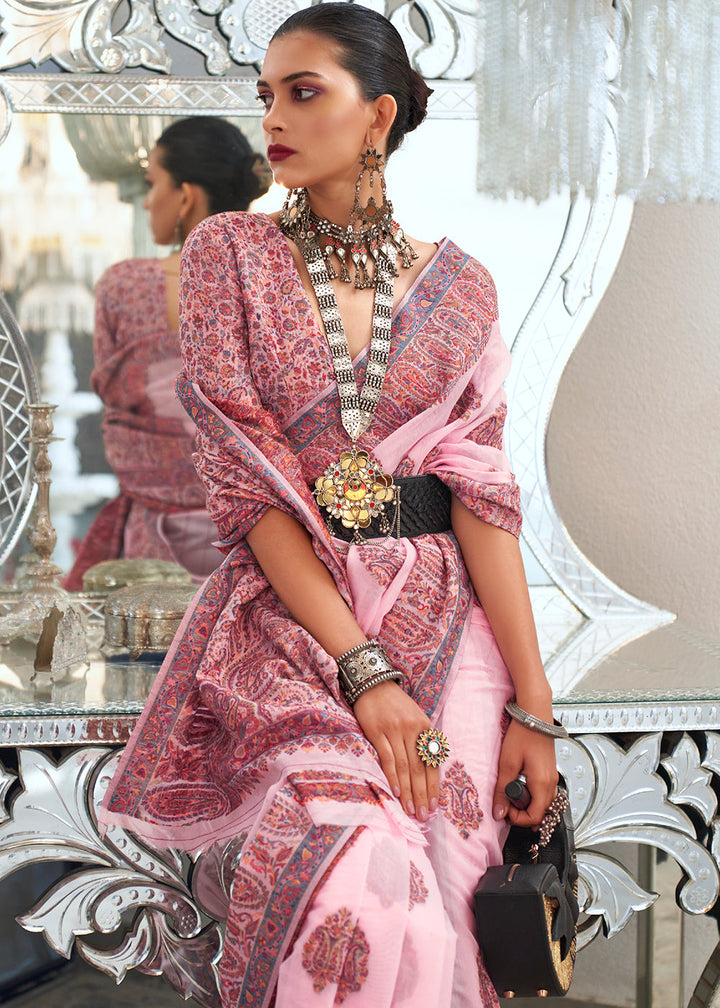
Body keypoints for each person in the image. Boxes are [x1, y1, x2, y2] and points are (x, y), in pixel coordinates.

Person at [99, 8, 560, 1006]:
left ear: (378, 115)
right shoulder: (230, 254)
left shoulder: (462, 288)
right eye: (267, 94)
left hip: (451, 625)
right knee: (365, 888)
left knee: (458, 898)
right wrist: (365, 671)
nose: (274, 117)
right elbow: (247, 482)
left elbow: (483, 494)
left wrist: (535, 706)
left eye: (304, 92)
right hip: (296, 625)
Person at [64, 116, 270, 589]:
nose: (146, 200)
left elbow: (116, 411)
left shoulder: (124, 285)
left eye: (152, 183)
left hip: (153, 544)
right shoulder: (277, 286)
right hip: (259, 534)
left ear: (185, 196)